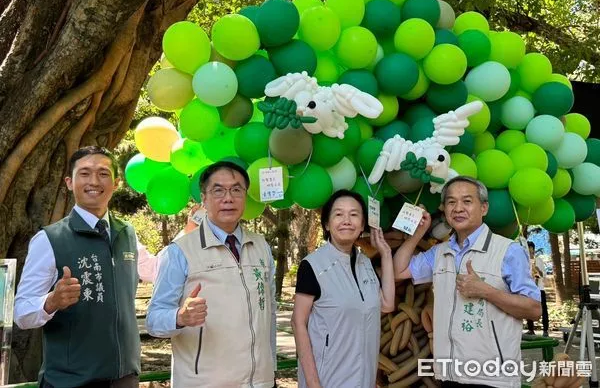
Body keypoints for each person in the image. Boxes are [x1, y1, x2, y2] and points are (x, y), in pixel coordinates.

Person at [14, 146, 159, 388]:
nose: (94, 181)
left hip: (124, 378)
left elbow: (155, 269)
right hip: (71, 381)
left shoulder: (127, 234)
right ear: (69, 182)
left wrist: (190, 235)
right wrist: (51, 301)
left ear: (116, 183)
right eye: (84, 173)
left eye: (103, 173)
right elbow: (21, 313)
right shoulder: (50, 239)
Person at [393, 176, 541, 388]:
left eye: (467, 201)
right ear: (444, 209)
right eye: (451, 202)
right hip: (450, 375)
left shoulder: (508, 251)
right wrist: (417, 235)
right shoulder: (440, 253)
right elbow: (399, 270)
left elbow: (534, 309)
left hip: (492, 378)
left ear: (484, 208)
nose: (458, 208)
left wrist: (486, 291)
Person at [146, 161, 277, 388]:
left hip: (260, 382)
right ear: (203, 199)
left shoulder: (260, 246)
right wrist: (179, 317)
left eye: (236, 190)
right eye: (218, 190)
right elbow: (154, 320)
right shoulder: (180, 251)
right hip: (205, 383)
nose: (228, 198)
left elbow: (270, 314)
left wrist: (271, 370)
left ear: (245, 196)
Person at [291, 190, 397, 388]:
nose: (347, 220)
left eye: (354, 214)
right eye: (338, 214)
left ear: (363, 225)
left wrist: (386, 254)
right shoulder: (313, 265)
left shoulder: (365, 264)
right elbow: (298, 323)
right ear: (327, 224)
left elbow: (387, 304)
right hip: (327, 379)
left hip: (363, 378)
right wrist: (314, 384)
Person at [527, 241, 549, 337]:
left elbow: (543, 275)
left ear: (534, 250)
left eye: (531, 250)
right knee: (528, 309)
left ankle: (545, 330)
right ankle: (531, 329)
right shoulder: (525, 260)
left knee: (543, 309)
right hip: (529, 289)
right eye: (528, 250)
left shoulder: (538, 260)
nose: (530, 252)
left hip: (539, 288)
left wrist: (537, 269)